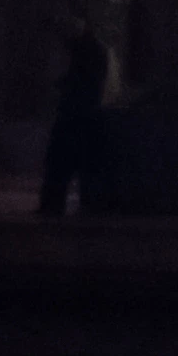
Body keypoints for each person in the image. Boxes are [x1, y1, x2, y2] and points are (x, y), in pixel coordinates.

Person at [37, 17, 108, 220]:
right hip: (80, 112)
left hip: (77, 113)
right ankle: (58, 203)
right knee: (71, 162)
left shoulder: (86, 50)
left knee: (64, 160)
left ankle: (55, 204)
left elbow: (82, 81)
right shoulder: (87, 49)